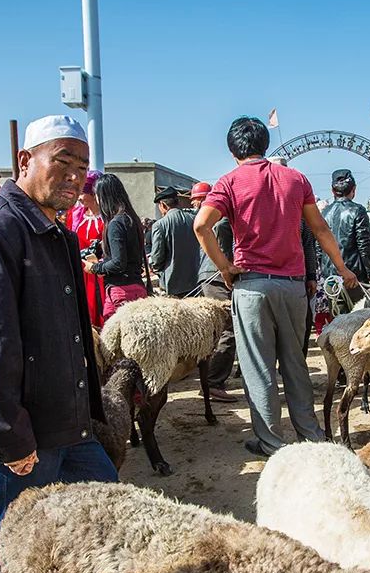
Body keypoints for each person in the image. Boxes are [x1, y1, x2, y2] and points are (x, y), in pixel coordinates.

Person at [0, 115, 116, 573]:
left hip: (65, 423)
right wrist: (9, 435)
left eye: (81, 168)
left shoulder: (51, 231)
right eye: (61, 161)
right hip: (20, 431)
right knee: (3, 543)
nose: (73, 176)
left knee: (106, 507)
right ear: (25, 161)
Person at [194, 116, 358, 457]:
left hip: (251, 286)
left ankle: (272, 442)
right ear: (265, 144)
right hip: (293, 287)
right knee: (295, 362)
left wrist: (225, 267)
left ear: (233, 150)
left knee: (258, 367)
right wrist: (342, 269)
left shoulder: (229, 182)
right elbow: (320, 230)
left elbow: (201, 226)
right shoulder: (295, 179)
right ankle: (311, 436)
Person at [192, 180, 238, 402]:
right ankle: (213, 383)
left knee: (217, 331)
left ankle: (210, 380)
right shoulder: (221, 219)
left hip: (209, 275)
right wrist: (229, 268)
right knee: (228, 329)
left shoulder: (208, 218)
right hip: (218, 276)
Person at [83, 173, 149, 322]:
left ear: (105, 196)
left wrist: (94, 268)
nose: (97, 201)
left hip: (121, 292)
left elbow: (118, 262)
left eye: (97, 195)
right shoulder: (131, 219)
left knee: (115, 342)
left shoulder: (115, 223)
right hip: (137, 288)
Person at [318, 169, 370, 308]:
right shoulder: (358, 211)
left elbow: (318, 247)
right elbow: (365, 246)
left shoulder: (324, 212)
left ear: (333, 190)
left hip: (330, 278)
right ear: (354, 189)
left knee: (337, 320)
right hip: (354, 276)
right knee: (357, 318)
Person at [68, 171, 106, 326]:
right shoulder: (75, 215)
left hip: (100, 271)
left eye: (82, 192)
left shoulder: (107, 217)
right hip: (81, 271)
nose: (79, 197)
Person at [149, 186, 201, 297]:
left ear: (163, 205)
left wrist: (157, 269)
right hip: (195, 281)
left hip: (172, 283)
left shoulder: (160, 225)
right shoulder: (193, 219)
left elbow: (157, 257)